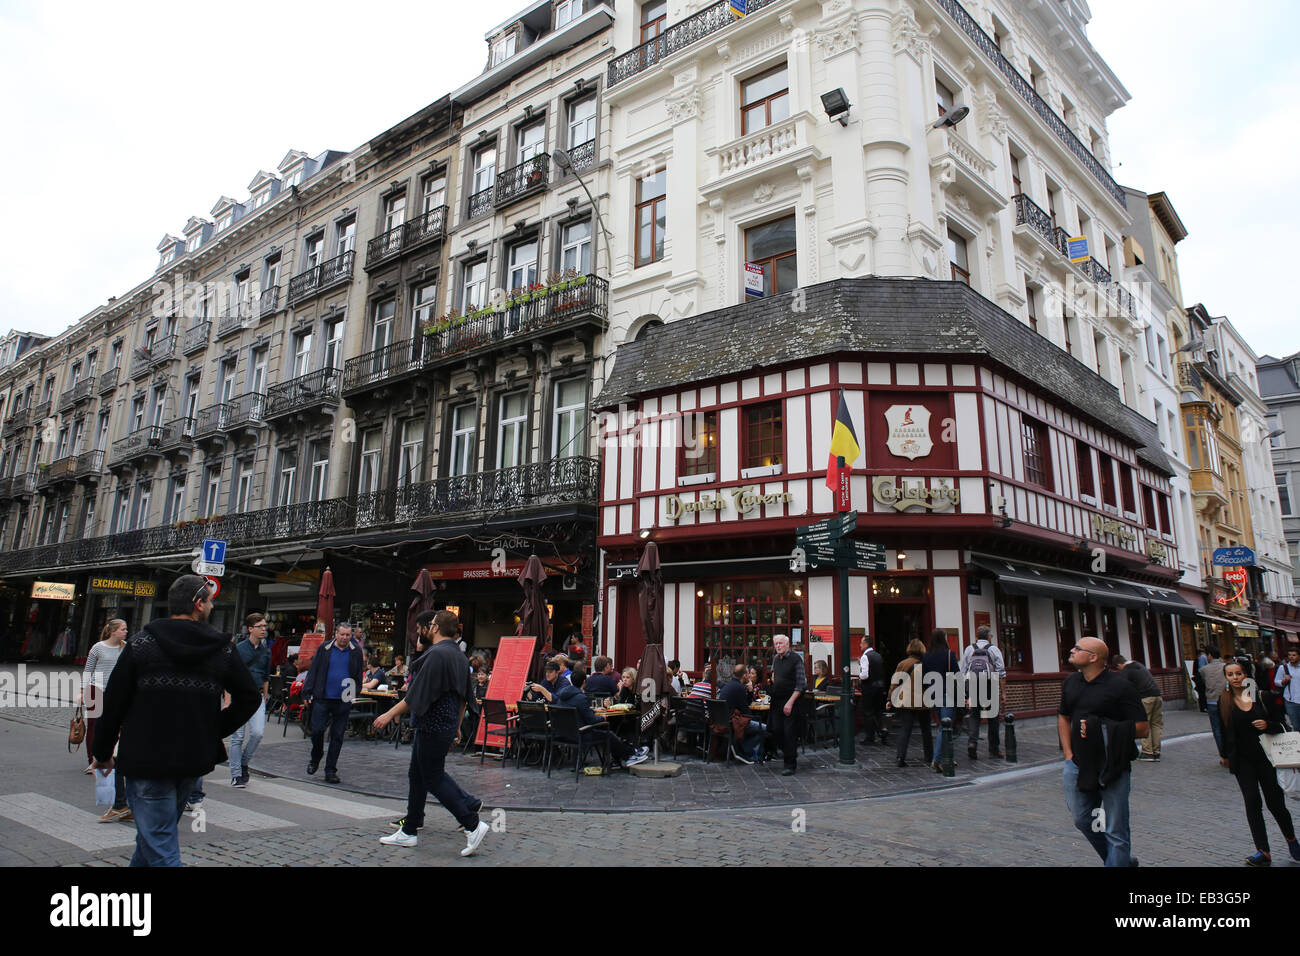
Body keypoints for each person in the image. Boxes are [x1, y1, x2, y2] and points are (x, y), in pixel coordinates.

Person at [90, 575, 259, 867]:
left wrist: (102, 753)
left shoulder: (142, 643)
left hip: (146, 756)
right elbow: (249, 697)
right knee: (155, 840)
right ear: (198, 604)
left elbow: (114, 703)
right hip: (190, 759)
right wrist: (211, 730)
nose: (212, 604)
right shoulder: (221, 650)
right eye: (209, 599)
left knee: (157, 840)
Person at [374, 611, 491, 856]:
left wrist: (387, 715)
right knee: (417, 775)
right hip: (445, 724)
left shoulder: (437, 655)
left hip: (433, 724)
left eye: (430, 625)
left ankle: (472, 824)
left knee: (432, 777)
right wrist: (457, 725)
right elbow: (463, 698)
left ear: (435, 628)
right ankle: (409, 831)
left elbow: (415, 695)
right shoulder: (460, 657)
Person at [1058, 636, 1149, 868]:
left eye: (1077, 648)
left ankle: (1117, 860)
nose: (1071, 650)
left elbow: (1142, 728)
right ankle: (1122, 860)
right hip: (1078, 764)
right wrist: (1068, 754)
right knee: (1082, 818)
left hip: (1113, 764)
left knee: (1115, 828)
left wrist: (1103, 729)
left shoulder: (1120, 686)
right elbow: (1063, 715)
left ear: (1093, 657)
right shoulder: (1071, 682)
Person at [1220, 659, 1299, 865]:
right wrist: (1225, 755)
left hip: (1267, 758)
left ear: (1246, 674)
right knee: (1252, 801)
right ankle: (1263, 851)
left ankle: (1292, 840)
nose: (1235, 678)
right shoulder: (1225, 700)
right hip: (1243, 761)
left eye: (1238, 673)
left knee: (1275, 803)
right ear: (1226, 678)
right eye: (1231, 674)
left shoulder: (1262, 697)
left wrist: (1267, 724)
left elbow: (1282, 724)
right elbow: (1223, 730)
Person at [301, 621, 364, 784]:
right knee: (317, 730)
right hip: (323, 697)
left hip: (343, 699)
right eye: (342, 634)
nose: (344, 638)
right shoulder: (325, 648)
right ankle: (316, 756)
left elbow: (358, 674)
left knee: (337, 736)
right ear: (336, 634)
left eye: (347, 635)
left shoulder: (356, 651)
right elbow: (313, 670)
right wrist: (307, 691)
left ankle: (330, 770)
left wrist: (355, 692)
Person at [553, 666, 650, 769]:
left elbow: (578, 711)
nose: (625, 680)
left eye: (627, 677)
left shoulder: (562, 697)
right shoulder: (581, 698)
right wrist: (602, 718)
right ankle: (630, 754)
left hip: (564, 734)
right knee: (608, 734)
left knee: (609, 731)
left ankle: (623, 756)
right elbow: (592, 720)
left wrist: (592, 710)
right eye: (624, 677)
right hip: (580, 734)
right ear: (584, 682)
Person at [81, 619, 131, 821]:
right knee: (95, 726)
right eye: (123, 629)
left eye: (126, 629)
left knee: (112, 729)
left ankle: (103, 762)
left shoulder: (126, 649)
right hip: (96, 689)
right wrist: (83, 691)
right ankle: (93, 759)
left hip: (115, 693)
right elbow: (88, 670)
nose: (126, 632)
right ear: (112, 631)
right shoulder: (98, 648)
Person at [229, 613, 271, 788]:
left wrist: (266, 695)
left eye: (264, 626)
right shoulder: (238, 648)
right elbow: (229, 674)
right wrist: (227, 697)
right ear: (250, 629)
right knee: (237, 737)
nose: (263, 629)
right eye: (260, 626)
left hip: (257, 695)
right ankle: (236, 774)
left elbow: (266, 674)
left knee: (257, 733)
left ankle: (244, 762)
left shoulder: (266, 651)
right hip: (239, 694)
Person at [960, 625, 1006, 760]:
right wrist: (1003, 693)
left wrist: (964, 693)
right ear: (989, 636)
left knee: (974, 714)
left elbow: (963, 671)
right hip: (990, 683)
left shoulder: (969, 649)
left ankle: (972, 743)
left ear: (977, 637)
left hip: (972, 684)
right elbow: (1001, 672)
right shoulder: (994, 649)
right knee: (993, 717)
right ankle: (994, 749)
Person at [1112, 654, 1163, 761]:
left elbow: (1124, 688)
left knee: (1145, 723)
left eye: (1117, 668)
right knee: (1156, 724)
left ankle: (1148, 752)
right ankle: (1156, 752)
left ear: (1119, 665)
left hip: (1145, 698)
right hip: (1157, 695)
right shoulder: (1138, 664)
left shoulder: (1126, 670)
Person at [921, 630, 959, 772]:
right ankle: (937, 760)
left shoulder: (926, 656)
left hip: (932, 694)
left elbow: (924, 677)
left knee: (944, 725)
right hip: (947, 693)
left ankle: (948, 756)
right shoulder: (950, 654)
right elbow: (957, 674)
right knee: (946, 726)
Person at [892, 638, 932, 768]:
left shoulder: (902, 664)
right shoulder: (926, 664)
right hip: (922, 701)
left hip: (906, 701)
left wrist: (890, 698)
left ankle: (900, 756)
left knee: (905, 729)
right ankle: (929, 755)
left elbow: (895, 683)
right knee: (926, 729)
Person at [769, 634, 805, 776]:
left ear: (787, 644)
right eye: (776, 644)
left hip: (792, 700)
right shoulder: (776, 659)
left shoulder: (796, 659)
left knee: (789, 733)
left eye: (780, 643)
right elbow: (774, 675)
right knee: (776, 730)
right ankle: (790, 753)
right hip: (777, 701)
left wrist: (790, 702)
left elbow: (801, 684)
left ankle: (790, 764)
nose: (778, 646)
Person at [719, 663, 766, 763]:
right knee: (765, 728)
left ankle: (743, 749)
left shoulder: (729, 685)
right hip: (733, 723)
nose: (749, 676)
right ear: (744, 675)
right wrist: (749, 691)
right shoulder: (739, 688)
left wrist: (749, 691)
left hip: (723, 722)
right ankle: (745, 752)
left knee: (755, 724)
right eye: (748, 673)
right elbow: (746, 712)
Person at [1201, 646, 1228, 759]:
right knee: (1226, 726)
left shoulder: (1204, 669)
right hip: (1225, 700)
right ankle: (1230, 753)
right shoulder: (1225, 667)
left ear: (1210, 655)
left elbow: (1203, 681)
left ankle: (1223, 754)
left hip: (1212, 701)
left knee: (1216, 729)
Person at [858, 639, 886, 746]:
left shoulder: (865, 656)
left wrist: (859, 674)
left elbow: (865, 675)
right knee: (878, 711)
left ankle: (870, 737)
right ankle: (883, 732)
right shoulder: (878, 655)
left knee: (868, 712)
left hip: (869, 688)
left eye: (861, 643)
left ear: (866, 644)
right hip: (879, 687)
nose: (860, 645)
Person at [1274, 647, 1300, 731]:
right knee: (1296, 725)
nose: (1291, 657)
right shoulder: (1283, 668)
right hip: (1290, 700)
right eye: (1289, 655)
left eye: (1294, 655)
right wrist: (1284, 681)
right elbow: (1276, 681)